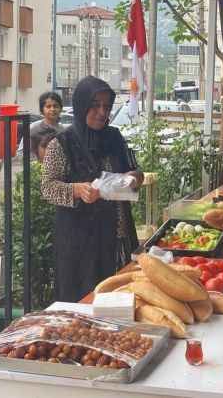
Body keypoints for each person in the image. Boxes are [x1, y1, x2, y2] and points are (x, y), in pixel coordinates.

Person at [41, 76, 143, 302]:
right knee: (84, 303)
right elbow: (47, 187)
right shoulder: (62, 143)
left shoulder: (114, 138)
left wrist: (132, 179)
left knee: (120, 299)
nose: (101, 112)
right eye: (95, 105)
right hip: (80, 242)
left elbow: (136, 171)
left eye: (106, 107)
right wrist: (77, 190)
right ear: (81, 105)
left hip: (117, 236)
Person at [24, 91, 63, 159]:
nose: (52, 109)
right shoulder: (34, 130)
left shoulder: (63, 131)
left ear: (60, 109)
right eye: (48, 106)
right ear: (42, 110)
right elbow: (23, 153)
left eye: (55, 106)